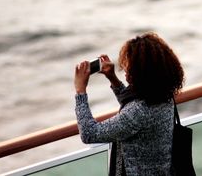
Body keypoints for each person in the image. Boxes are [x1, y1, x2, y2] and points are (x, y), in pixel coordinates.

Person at [74, 32, 185, 176]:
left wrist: (80, 91)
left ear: (143, 73)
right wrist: (113, 78)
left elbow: (89, 134)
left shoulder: (138, 111)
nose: (125, 71)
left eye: (129, 67)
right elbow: (131, 105)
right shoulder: (164, 95)